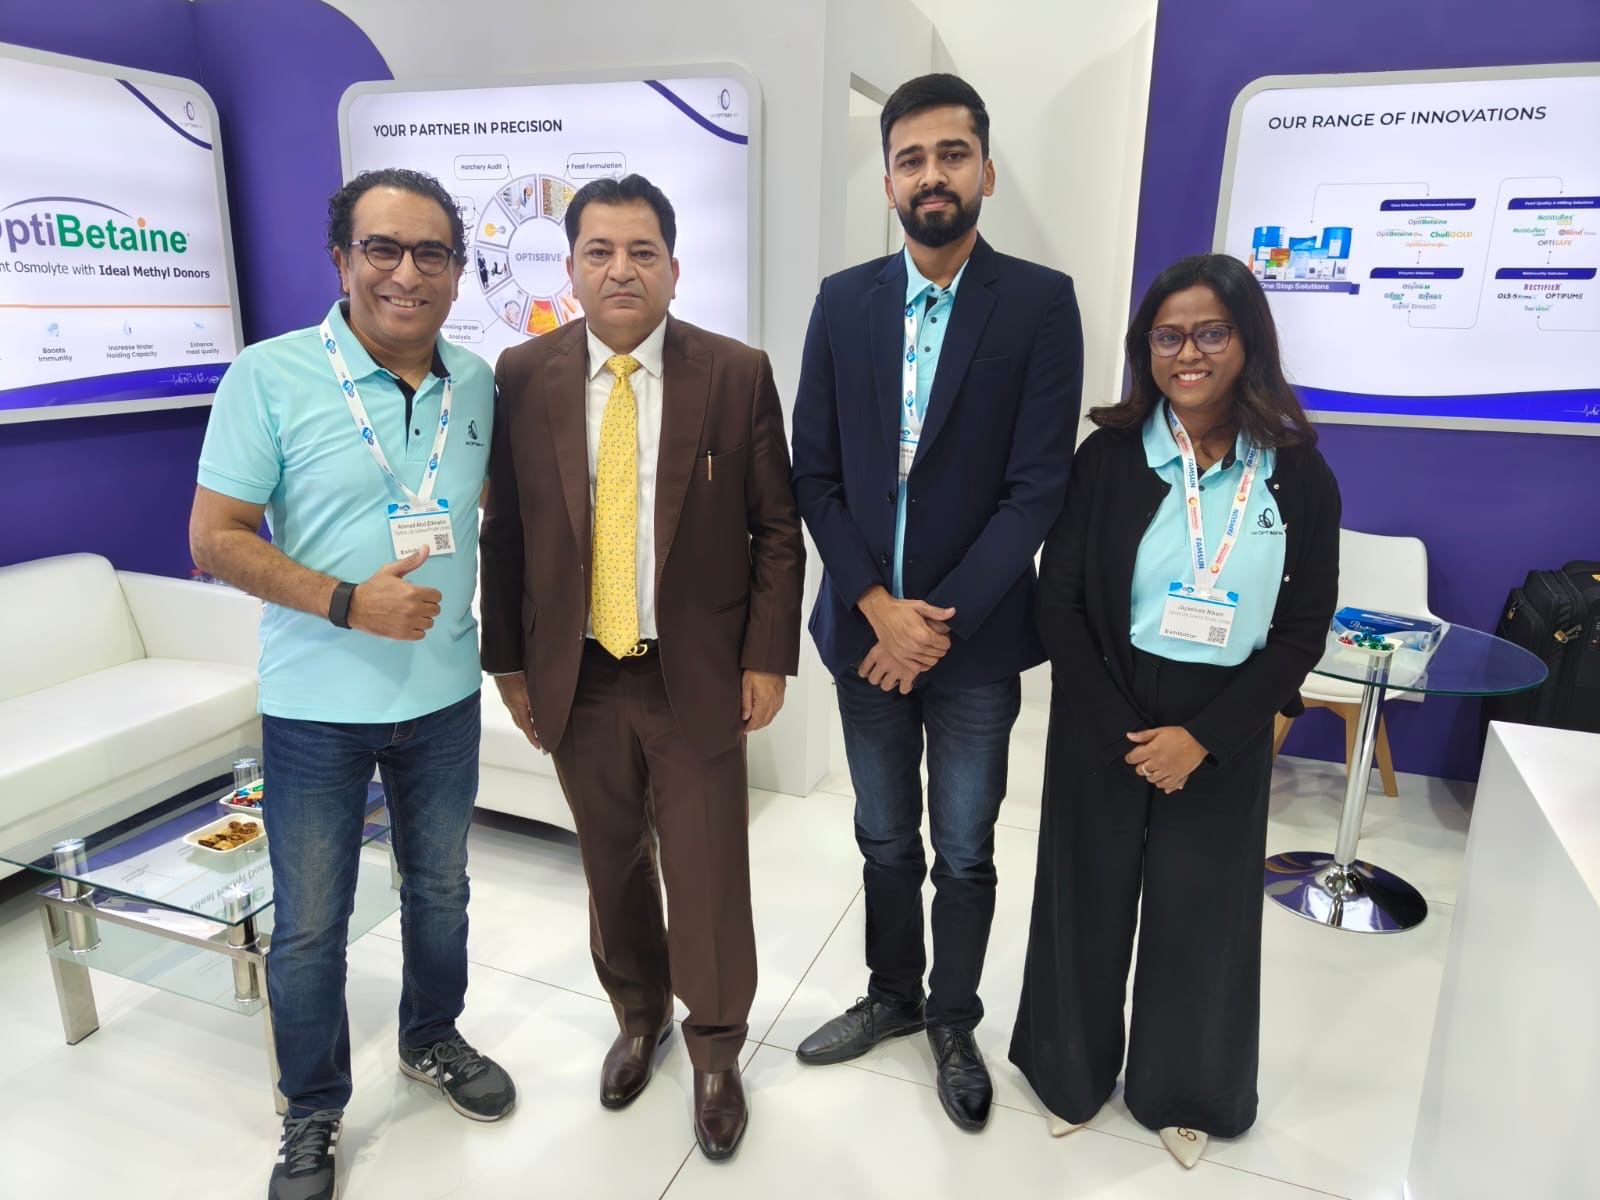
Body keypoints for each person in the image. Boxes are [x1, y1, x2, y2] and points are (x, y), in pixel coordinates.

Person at [189, 167, 515, 1200]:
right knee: (312, 922)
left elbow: (501, 519)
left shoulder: (479, 383)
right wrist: (344, 602)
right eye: (383, 248)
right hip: (316, 706)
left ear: (456, 272)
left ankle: (432, 1037)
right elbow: (214, 537)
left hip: (443, 696)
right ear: (341, 261)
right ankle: (313, 1108)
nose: (406, 273)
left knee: (441, 890)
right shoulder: (270, 375)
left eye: (431, 253)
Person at [478, 173, 804, 1160]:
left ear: (673, 266)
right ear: (571, 268)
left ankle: (715, 1047)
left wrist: (767, 658)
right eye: (600, 252)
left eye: (641, 252)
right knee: (609, 862)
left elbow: (776, 530)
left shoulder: (734, 373)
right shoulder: (522, 373)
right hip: (575, 673)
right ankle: (638, 1014)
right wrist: (508, 666)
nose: (621, 269)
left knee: (707, 872)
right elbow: (507, 533)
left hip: (693, 672)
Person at [789, 73, 1082, 1132]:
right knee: (882, 836)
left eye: (951, 154)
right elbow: (813, 471)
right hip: (864, 634)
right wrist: (877, 605)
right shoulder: (843, 301)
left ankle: (954, 1019)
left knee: (963, 845)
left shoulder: (1038, 303)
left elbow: (1035, 490)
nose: (931, 175)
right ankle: (891, 995)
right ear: (887, 182)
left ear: (986, 172)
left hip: (976, 642)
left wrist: (931, 625)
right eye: (910, 159)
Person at [1009, 253, 1341, 1168]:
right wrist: (1126, 732)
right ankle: (1069, 1074)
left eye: (1209, 333)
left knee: (1203, 909)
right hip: (1106, 704)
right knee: (1084, 894)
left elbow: (1303, 629)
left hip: (1223, 721)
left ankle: (1185, 1089)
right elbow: (1058, 603)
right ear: (1144, 348)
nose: (1186, 353)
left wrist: (1205, 738)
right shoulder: (1109, 457)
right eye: (1167, 336)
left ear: (1248, 342)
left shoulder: (1299, 472)